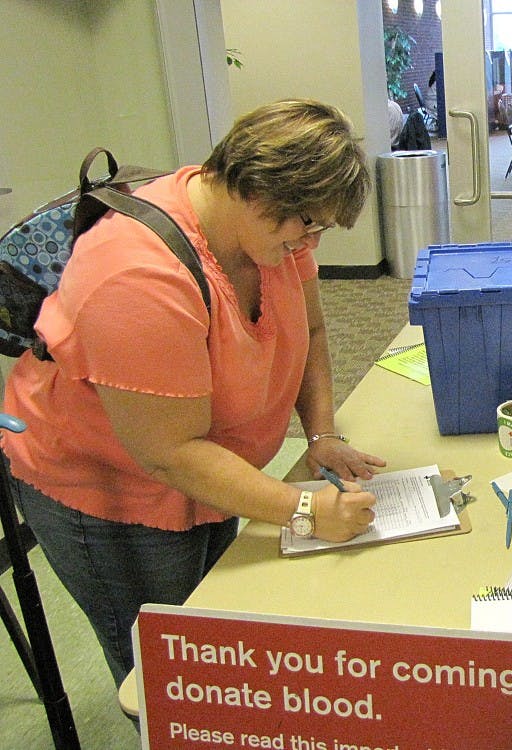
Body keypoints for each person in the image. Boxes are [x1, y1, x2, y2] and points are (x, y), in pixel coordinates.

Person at [1, 99, 388, 690]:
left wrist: (321, 432)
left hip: (208, 468)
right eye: (306, 223)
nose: (310, 242)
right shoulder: (134, 271)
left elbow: (308, 329)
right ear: (257, 193)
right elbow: (169, 451)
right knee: (172, 674)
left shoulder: (271, 233)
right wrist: (306, 512)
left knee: (216, 630)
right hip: (111, 491)